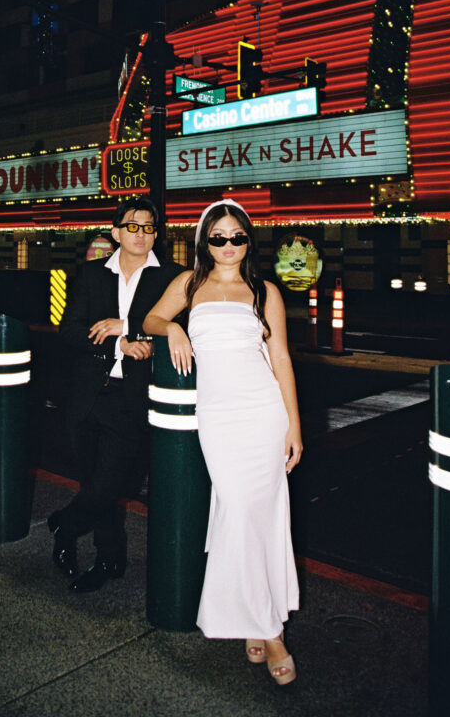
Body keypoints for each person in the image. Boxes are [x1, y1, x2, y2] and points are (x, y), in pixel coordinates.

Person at [143, 199, 302, 685]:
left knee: (261, 518)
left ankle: (263, 625)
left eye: (237, 237)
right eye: (218, 238)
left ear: (248, 242)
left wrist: (294, 425)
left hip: (264, 413)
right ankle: (266, 623)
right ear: (204, 242)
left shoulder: (264, 290)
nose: (228, 246)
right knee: (236, 510)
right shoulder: (189, 285)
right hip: (218, 417)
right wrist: (173, 326)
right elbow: (150, 320)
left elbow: (280, 357)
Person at [48, 196, 182, 593]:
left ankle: (65, 528)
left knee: (108, 484)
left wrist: (133, 332)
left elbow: (186, 330)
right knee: (94, 484)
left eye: (148, 227)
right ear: (116, 232)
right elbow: (70, 330)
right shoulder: (90, 275)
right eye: (132, 225)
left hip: (132, 399)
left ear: (156, 234)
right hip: (88, 395)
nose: (140, 233)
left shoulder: (172, 277)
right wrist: (116, 346)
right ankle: (110, 558)